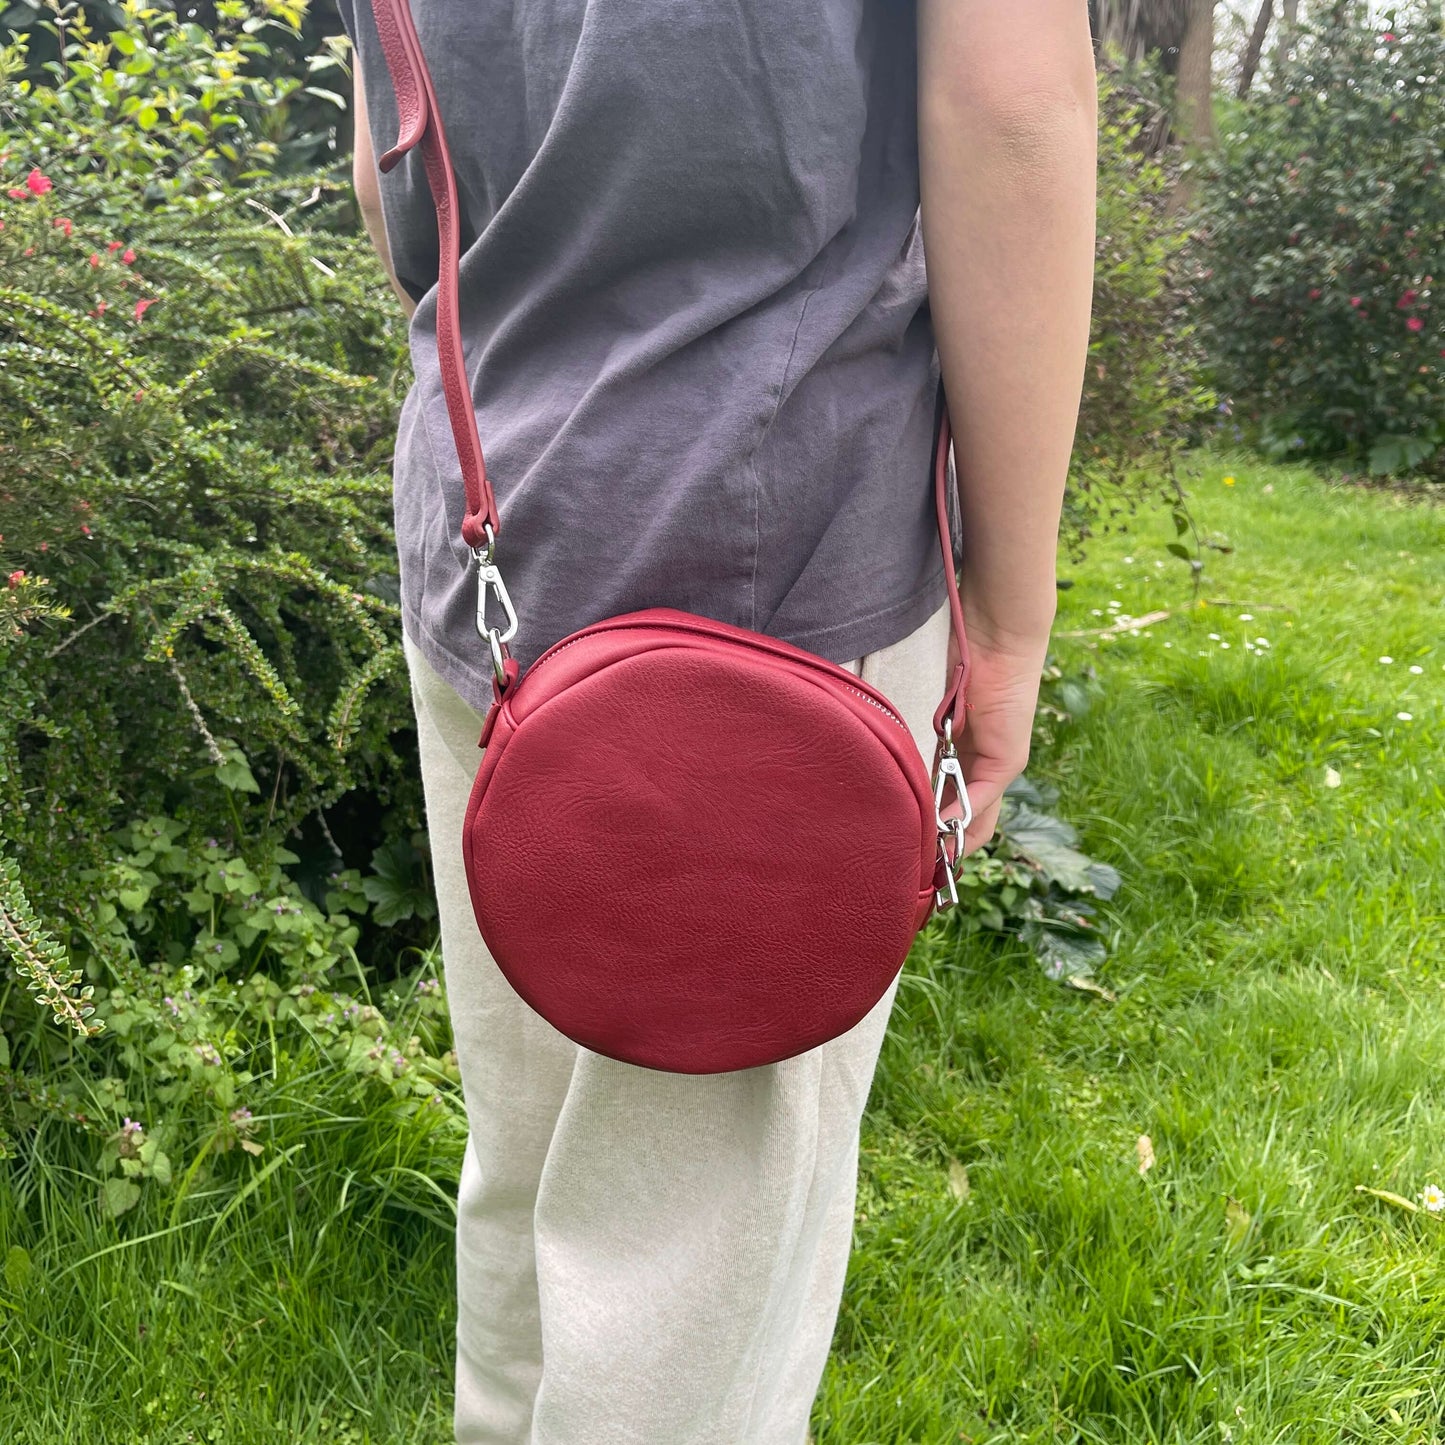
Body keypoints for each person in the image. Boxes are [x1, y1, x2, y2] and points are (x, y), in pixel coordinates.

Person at [338, 0, 1096, 1439]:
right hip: (772, 574)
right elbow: (1007, 108)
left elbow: (388, 158)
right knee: (687, 1275)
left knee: (535, 1154)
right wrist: (1005, 613)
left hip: (494, 532)